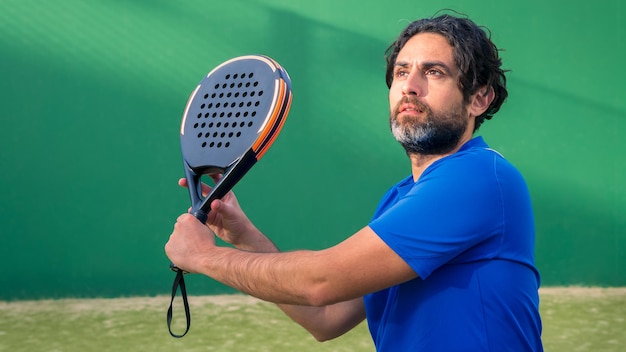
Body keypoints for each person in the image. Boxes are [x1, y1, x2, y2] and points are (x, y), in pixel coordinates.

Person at [165, 12, 544, 351]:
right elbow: (326, 317)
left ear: (479, 98)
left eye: (433, 72)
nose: (409, 86)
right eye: (400, 71)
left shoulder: (478, 177)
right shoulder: (400, 198)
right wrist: (244, 236)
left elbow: (320, 283)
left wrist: (202, 256)